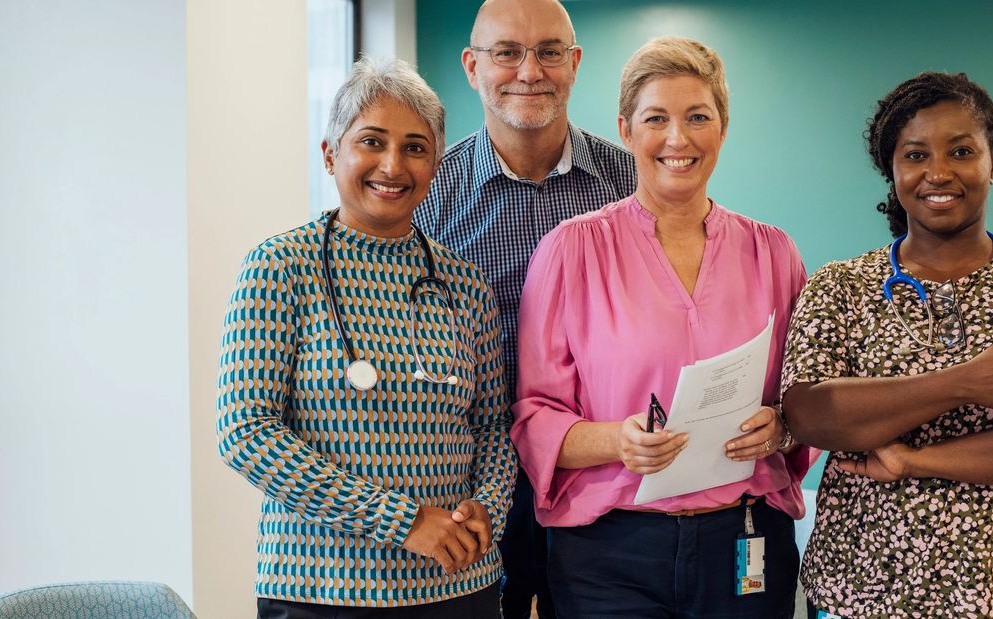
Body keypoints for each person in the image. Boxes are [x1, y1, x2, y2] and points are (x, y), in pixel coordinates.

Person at [780, 72, 993, 618]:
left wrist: (914, 459)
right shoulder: (841, 287)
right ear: (892, 169)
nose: (938, 172)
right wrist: (966, 382)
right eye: (915, 155)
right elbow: (813, 415)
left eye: (961, 151)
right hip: (869, 589)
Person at [512, 36, 813, 618]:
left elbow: (806, 401)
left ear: (723, 129)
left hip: (745, 545)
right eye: (656, 118)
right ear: (626, 130)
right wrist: (616, 442)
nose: (678, 138)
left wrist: (780, 429)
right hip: (609, 558)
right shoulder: (571, 251)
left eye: (698, 117)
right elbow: (534, 417)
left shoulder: (773, 253)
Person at [217, 56, 517, 618]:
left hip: (456, 585)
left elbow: (493, 426)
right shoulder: (279, 268)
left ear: (434, 167)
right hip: (320, 590)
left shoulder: (466, 285)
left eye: (415, 147)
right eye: (372, 141)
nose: (392, 164)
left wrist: (487, 511)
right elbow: (246, 434)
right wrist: (403, 523)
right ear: (331, 154)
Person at [414, 0, 636, 616]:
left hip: (600, 470)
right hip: (472, 480)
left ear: (575, 63)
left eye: (549, 52)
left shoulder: (633, 185)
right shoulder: (429, 195)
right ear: (471, 66)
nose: (529, 70)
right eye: (507, 52)